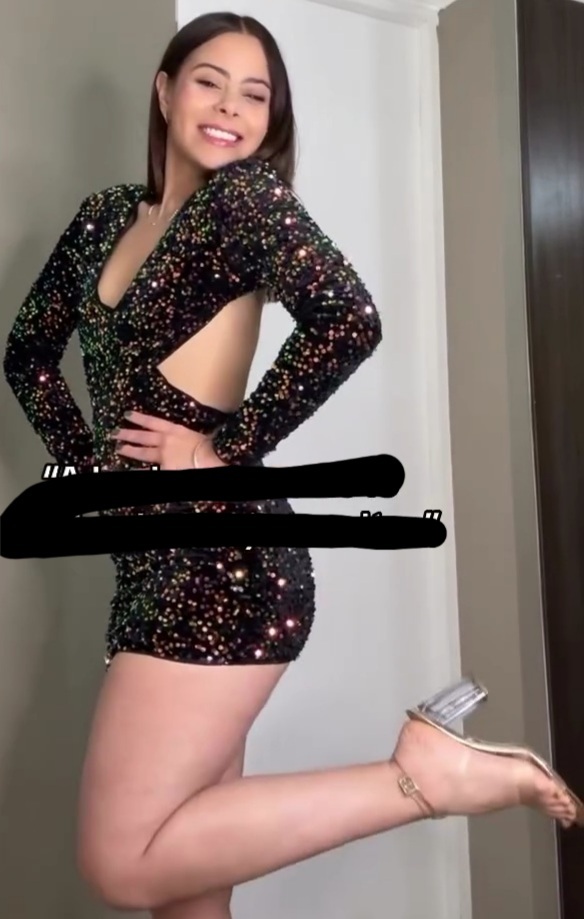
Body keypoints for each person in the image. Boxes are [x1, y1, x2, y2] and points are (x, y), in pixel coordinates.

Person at [3, 11, 582, 919]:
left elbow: (351, 319)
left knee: (121, 860)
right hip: (147, 564)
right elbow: (28, 352)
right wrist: (93, 472)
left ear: (272, 119)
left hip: (220, 565)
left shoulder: (244, 203)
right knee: (186, 897)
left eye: (256, 94)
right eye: (209, 81)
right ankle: (420, 776)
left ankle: (419, 777)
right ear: (165, 91)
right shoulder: (104, 217)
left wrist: (223, 450)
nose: (230, 108)